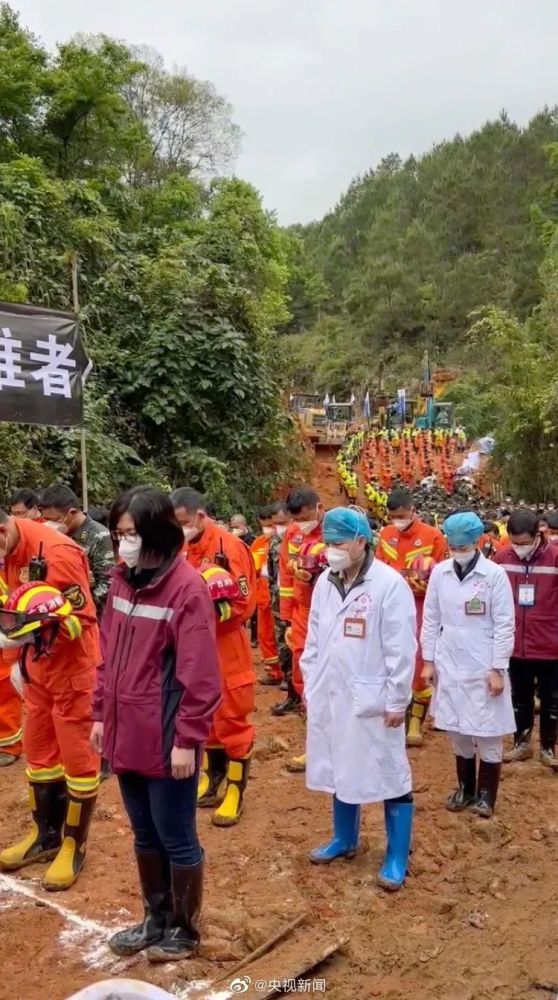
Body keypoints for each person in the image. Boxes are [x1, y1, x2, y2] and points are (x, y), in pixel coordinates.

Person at [91, 487, 221, 961]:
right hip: (127, 733)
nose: (124, 543)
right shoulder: (124, 582)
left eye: (133, 533)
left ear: (158, 533)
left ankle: (184, 930)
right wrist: (101, 713)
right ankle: (155, 918)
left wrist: (187, 739)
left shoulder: (186, 589)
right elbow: (106, 656)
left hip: (167, 738)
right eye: (119, 534)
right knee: (144, 834)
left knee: (176, 835)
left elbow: (201, 677)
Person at [301, 507, 416, 891]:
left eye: (337, 543)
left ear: (361, 543)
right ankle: (344, 838)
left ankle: (397, 855)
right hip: (331, 692)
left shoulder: (389, 585)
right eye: (327, 542)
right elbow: (314, 639)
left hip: (374, 698)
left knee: (389, 771)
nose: (330, 550)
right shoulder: (325, 582)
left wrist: (398, 700)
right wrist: (310, 685)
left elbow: (402, 650)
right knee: (339, 765)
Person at [0, 512, 100, 889]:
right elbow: (12, 612)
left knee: (78, 758)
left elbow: (82, 619)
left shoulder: (57, 552)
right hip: (36, 670)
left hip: (72, 670)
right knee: (39, 752)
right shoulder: (7, 553)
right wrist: (17, 658)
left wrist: (32, 637)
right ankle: (45, 836)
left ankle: (74, 843)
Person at [421, 512, 516, 818]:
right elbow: (431, 618)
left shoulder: (494, 576)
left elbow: (504, 624)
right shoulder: (440, 573)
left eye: (463, 546)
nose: (458, 551)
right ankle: (466, 788)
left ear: (477, 542)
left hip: (483, 662)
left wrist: (498, 667)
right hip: (450, 662)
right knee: (457, 729)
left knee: (488, 731)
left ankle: (487, 796)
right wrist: (428, 660)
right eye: (453, 546)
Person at [172, 488, 256, 826]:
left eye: (182, 522)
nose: (179, 529)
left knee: (232, 716)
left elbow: (243, 604)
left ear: (200, 517)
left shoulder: (230, 548)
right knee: (203, 716)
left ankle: (235, 789)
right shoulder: (178, 547)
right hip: (191, 645)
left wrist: (207, 613)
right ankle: (213, 778)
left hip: (225, 642)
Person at [376, 488, 447, 747]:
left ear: (413, 511)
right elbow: (378, 566)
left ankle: (416, 721)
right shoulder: (385, 534)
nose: (398, 520)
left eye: (402, 515)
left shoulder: (433, 536)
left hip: (420, 605)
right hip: (390, 604)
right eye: (393, 516)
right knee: (388, 657)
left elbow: (441, 575)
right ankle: (393, 713)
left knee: (418, 662)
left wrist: (425, 587)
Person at [495, 509, 558, 770]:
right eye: (514, 542)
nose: (518, 548)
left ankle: (548, 747)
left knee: (552, 699)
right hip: (515, 642)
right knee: (519, 698)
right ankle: (521, 743)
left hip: (550, 642)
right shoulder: (501, 558)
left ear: (538, 534)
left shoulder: (555, 559)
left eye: (524, 542)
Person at [279, 486, 327, 771]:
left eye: (307, 516)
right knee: (303, 673)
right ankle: (315, 745)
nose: (303, 523)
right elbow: (285, 574)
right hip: (301, 612)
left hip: (331, 611)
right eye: (298, 518)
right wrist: (286, 617)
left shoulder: (336, 531)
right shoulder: (293, 534)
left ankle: (336, 744)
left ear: (319, 508)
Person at [41, 484, 114, 616]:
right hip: (56, 612)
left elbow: (108, 584)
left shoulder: (100, 536)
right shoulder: (54, 536)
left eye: (54, 520)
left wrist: (77, 607)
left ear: (72, 513)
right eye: (45, 520)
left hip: (88, 615)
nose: (49, 525)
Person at [267, 500, 296, 709]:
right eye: (276, 522)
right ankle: (291, 689)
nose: (280, 526)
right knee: (283, 642)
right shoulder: (273, 542)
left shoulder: (300, 541)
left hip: (302, 601)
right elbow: (271, 574)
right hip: (279, 599)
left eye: (283, 522)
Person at [250, 506, 281, 684]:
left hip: (281, 599)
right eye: (264, 525)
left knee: (283, 636)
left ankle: (288, 674)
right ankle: (274, 672)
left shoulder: (285, 542)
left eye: (271, 525)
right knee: (266, 635)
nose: (268, 529)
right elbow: (252, 570)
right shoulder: (258, 544)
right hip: (263, 598)